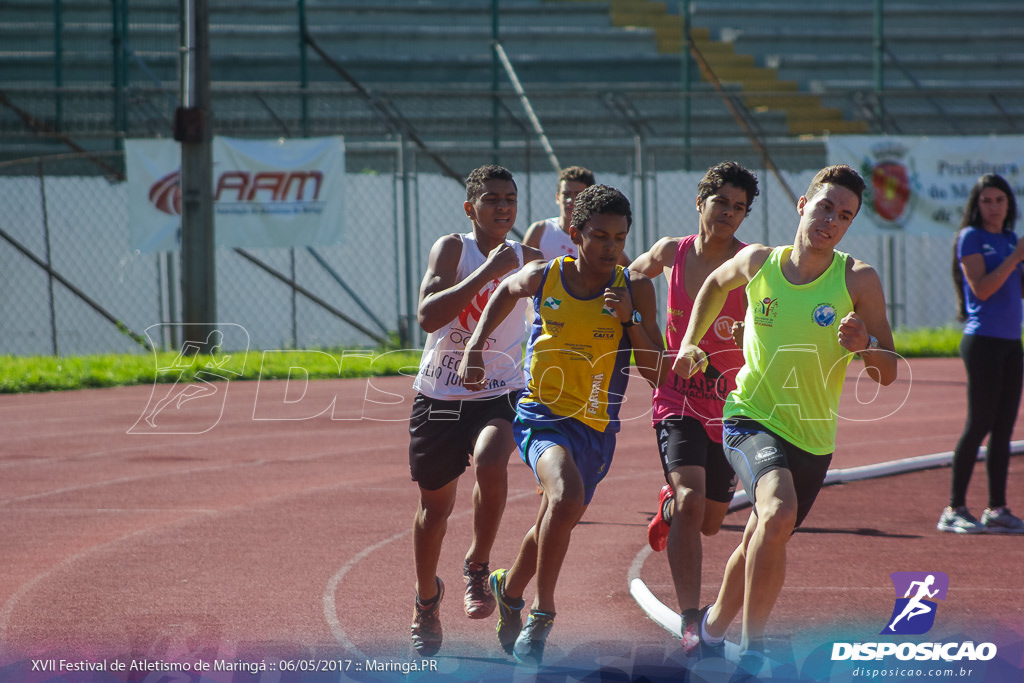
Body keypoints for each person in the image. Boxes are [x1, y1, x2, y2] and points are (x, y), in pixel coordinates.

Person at [673, 164, 898, 673]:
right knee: (776, 512)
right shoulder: (758, 263)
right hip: (749, 416)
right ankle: (754, 652)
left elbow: (887, 372)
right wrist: (690, 341)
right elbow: (711, 284)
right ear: (802, 204)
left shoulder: (858, 279)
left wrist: (866, 348)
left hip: (813, 439)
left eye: (844, 216)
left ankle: (708, 630)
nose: (831, 222)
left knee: (762, 534)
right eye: (825, 208)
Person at [459, 185, 665, 667]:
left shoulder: (635, 288)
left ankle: (508, 591)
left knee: (557, 514)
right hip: (540, 414)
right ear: (574, 234)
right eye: (598, 236)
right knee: (566, 497)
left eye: (619, 237)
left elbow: (656, 372)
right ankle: (541, 614)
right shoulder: (544, 276)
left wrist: (629, 318)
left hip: (596, 427)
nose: (609, 246)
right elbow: (504, 292)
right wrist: (474, 347)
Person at [408, 164, 543, 656]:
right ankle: (426, 602)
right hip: (441, 394)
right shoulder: (452, 249)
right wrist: (490, 270)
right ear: (471, 208)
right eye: (491, 199)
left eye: (510, 198)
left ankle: (478, 566)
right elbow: (428, 317)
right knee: (434, 509)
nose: (503, 206)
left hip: (502, 388)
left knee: (492, 461)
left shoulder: (531, 258)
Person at [628, 161, 759, 656]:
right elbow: (631, 277)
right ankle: (690, 620)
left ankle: (669, 506)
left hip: (730, 406)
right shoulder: (672, 253)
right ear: (700, 202)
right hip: (677, 397)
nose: (728, 213)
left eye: (739, 208)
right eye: (721, 202)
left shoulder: (752, 267)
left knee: (709, 520)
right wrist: (643, 327)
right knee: (690, 501)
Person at [941, 173, 1024, 534]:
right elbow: (984, 289)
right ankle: (954, 508)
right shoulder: (971, 238)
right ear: (976, 206)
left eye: (1000, 200)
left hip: (1011, 343)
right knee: (980, 424)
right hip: (983, 342)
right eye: (986, 200)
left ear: (1009, 205)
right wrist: (1016, 257)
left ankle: (997, 508)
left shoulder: (1008, 239)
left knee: (1004, 428)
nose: (993, 206)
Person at [523, 166, 631, 265]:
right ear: (557, 197)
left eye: (577, 195)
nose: (570, 200)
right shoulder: (540, 231)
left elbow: (629, 270)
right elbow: (521, 271)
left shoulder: (597, 236)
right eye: (566, 194)